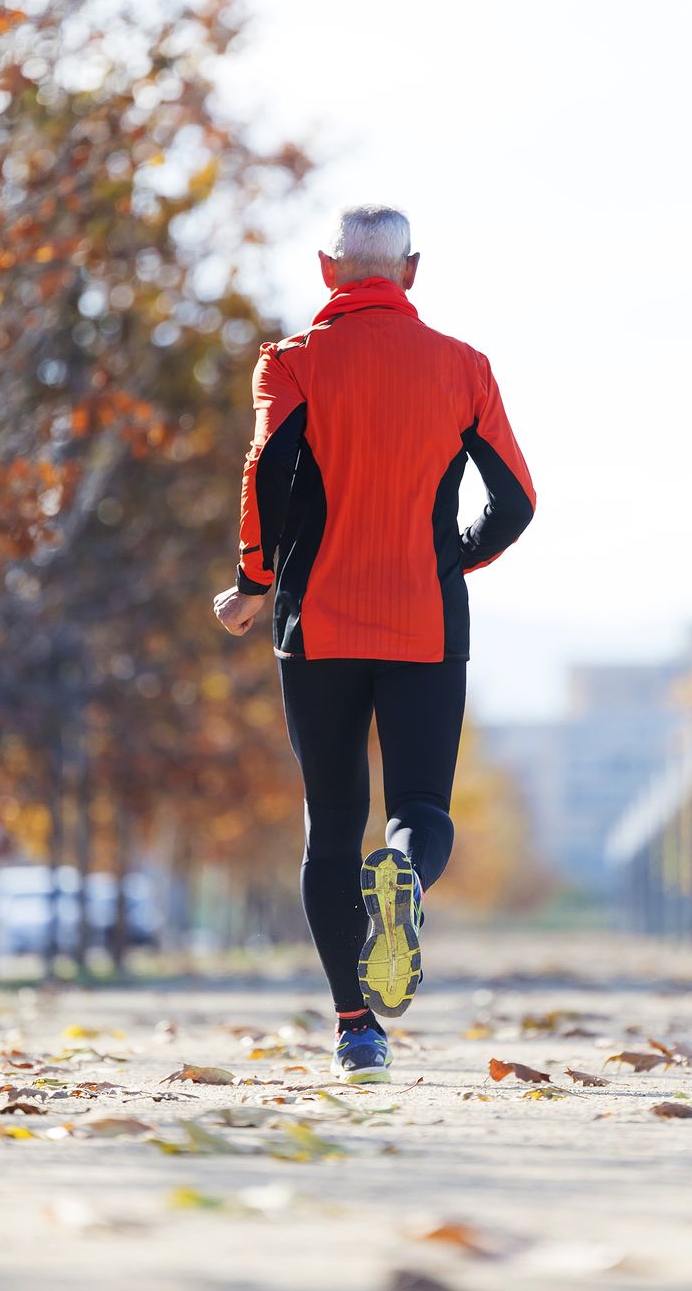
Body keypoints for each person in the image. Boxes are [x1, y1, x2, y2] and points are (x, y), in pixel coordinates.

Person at [214, 206, 535, 1083]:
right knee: (422, 807)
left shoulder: (292, 363)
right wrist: (452, 558)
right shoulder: (464, 368)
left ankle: (357, 1030)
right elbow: (515, 500)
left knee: (330, 823)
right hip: (426, 621)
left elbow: (265, 472)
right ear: (412, 270)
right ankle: (403, 869)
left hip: (317, 622)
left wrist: (252, 585)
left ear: (327, 269)